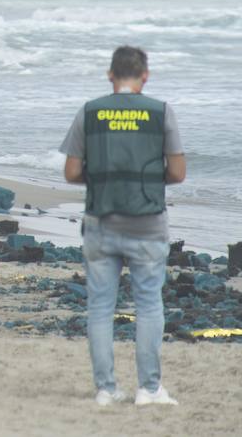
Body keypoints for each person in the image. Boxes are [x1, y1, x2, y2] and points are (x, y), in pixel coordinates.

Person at [62, 46, 185, 408]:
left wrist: (104, 178)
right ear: (145, 75)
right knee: (149, 305)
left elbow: (70, 171)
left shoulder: (91, 111)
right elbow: (177, 172)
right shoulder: (161, 111)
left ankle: (106, 388)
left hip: (101, 220)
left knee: (100, 307)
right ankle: (148, 389)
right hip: (147, 222)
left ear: (110, 76)